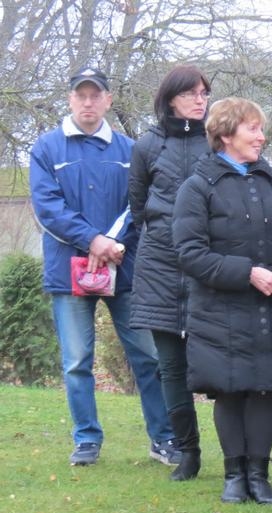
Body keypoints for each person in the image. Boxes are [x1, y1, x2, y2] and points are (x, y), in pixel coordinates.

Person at [29, 65, 175, 467]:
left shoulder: (131, 150)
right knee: (77, 362)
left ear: (108, 100)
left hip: (124, 269)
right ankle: (87, 440)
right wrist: (92, 239)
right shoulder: (46, 149)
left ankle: (163, 439)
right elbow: (48, 208)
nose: (88, 102)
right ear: (70, 99)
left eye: (96, 95)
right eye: (81, 95)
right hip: (67, 272)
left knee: (148, 356)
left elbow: (139, 205)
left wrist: (110, 243)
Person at [172, 97, 272, 505]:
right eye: (253, 129)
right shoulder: (197, 187)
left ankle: (259, 476)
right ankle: (234, 475)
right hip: (220, 311)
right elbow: (190, 253)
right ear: (226, 133)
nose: (262, 136)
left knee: (264, 389)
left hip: (271, 308)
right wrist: (247, 272)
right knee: (229, 390)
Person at [128, 64, 211, 481]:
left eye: (204, 93)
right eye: (192, 93)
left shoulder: (216, 141)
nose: (201, 99)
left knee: (220, 362)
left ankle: (240, 457)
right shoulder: (146, 145)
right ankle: (188, 452)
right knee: (170, 366)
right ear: (171, 98)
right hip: (159, 267)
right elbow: (139, 205)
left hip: (206, 268)